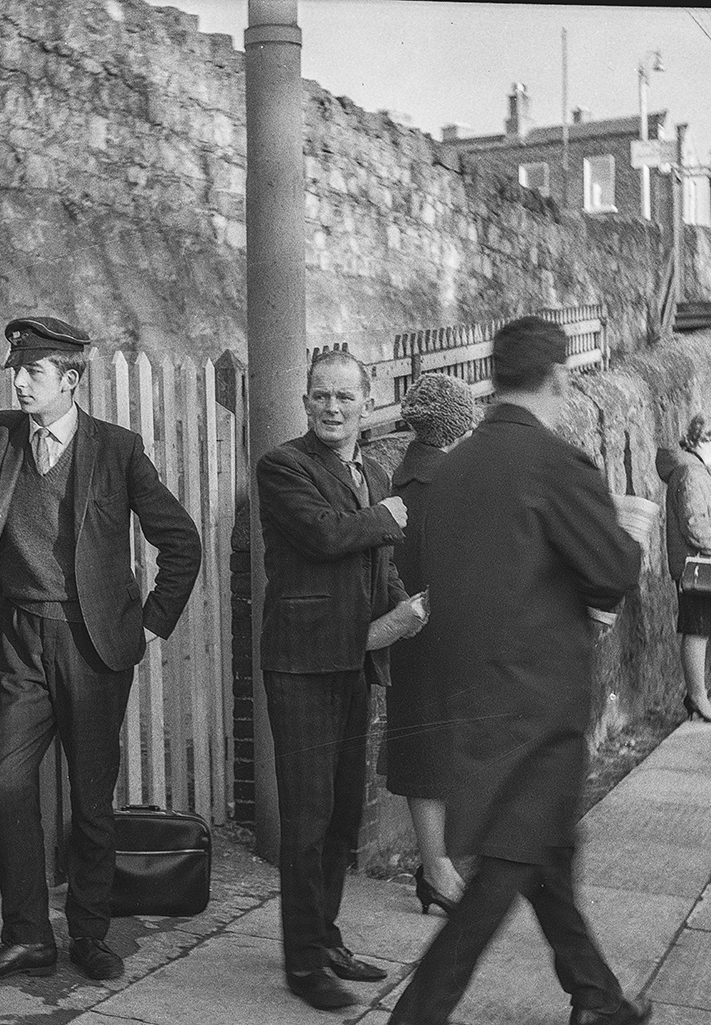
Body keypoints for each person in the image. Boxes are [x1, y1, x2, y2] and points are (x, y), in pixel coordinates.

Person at [0, 316, 201, 983]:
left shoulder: (116, 450)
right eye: (17, 369)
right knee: (5, 787)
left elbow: (181, 542)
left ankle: (90, 934)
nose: (20, 379)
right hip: (20, 639)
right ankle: (28, 936)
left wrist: (149, 625)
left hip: (94, 645)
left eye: (34, 370)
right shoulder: (2, 433)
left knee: (91, 803)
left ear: (70, 378)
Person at [386, 316, 648, 1025]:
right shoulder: (556, 465)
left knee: (546, 857)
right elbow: (611, 575)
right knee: (504, 872)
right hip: (538, 708)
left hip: (470, 698)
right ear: (559, 378)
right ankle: (415, 1014)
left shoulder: (452, 469)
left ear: (493, 378)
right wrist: (630, 531)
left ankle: (598, 997)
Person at [256, 349, 425, 1011]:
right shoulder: (283, 466)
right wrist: (390, 515)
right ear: (305, 403)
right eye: (320, 396)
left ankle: (325, 938)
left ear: (366, 400)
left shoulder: (372, 470)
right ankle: (302, 964)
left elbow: (377, 566)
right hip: (300, 663)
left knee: (342, 815)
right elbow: (326, 537)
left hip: (354, 657)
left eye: (343, 397)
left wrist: (407, 606)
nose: (331, 408)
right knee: (306, 817)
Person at [384, 372, 476, 916]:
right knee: (430, 753)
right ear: (457, 425)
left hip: (420, 635)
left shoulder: (410, 478)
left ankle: (439, 867)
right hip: (436, 637)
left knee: (433, 751)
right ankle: (438, 871)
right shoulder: (438, 485)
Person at [656, 415, 711, 723]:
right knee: (697, 630)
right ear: (703, 441)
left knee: (698, 628)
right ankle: (698, 697)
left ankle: (697, 695)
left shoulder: (691, 471)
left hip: (697, 562)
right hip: (698, 563)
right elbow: (693, 522)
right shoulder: (690, 473)